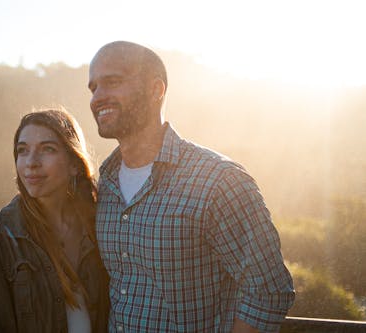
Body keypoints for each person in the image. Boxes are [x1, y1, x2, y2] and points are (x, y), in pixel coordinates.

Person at [88, 41, 295, 333]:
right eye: (93, 87)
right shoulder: (103, 185)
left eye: (112, 82)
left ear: (156, 89)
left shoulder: (218, 181)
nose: (98, 97)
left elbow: (269, 291)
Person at [0, 108, 109, 333]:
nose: (31, 162)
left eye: (48, 149)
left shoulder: (101, 223)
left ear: (74, 164)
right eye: (22, 151)